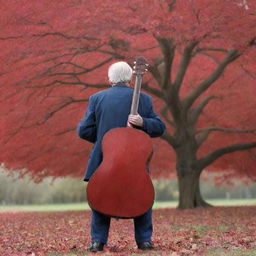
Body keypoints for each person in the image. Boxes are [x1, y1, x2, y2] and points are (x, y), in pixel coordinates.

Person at [77, 61, 165, 252]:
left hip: (104, 159)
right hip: (135, 161)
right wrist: (144, 122)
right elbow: (160, 128)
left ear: (110, 79)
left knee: (100, 195)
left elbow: (83, 130)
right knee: (142, 194)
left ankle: (98, 241)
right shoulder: (145, 99)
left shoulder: (96, 98)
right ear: (130, 78)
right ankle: (144, 241)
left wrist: (104, 139)